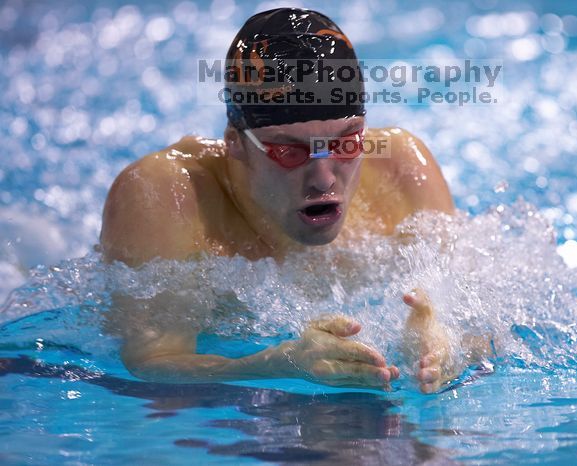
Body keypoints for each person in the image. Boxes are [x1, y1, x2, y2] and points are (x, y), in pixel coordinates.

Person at [100, 8, 484, 393]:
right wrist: (274, 363)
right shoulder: (167, 194)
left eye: (346, 143)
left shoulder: (401, 168)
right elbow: (152, 365)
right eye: (289, 152)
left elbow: (483, 322)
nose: (323, 178)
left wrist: (452, 347)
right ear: (235, 142)